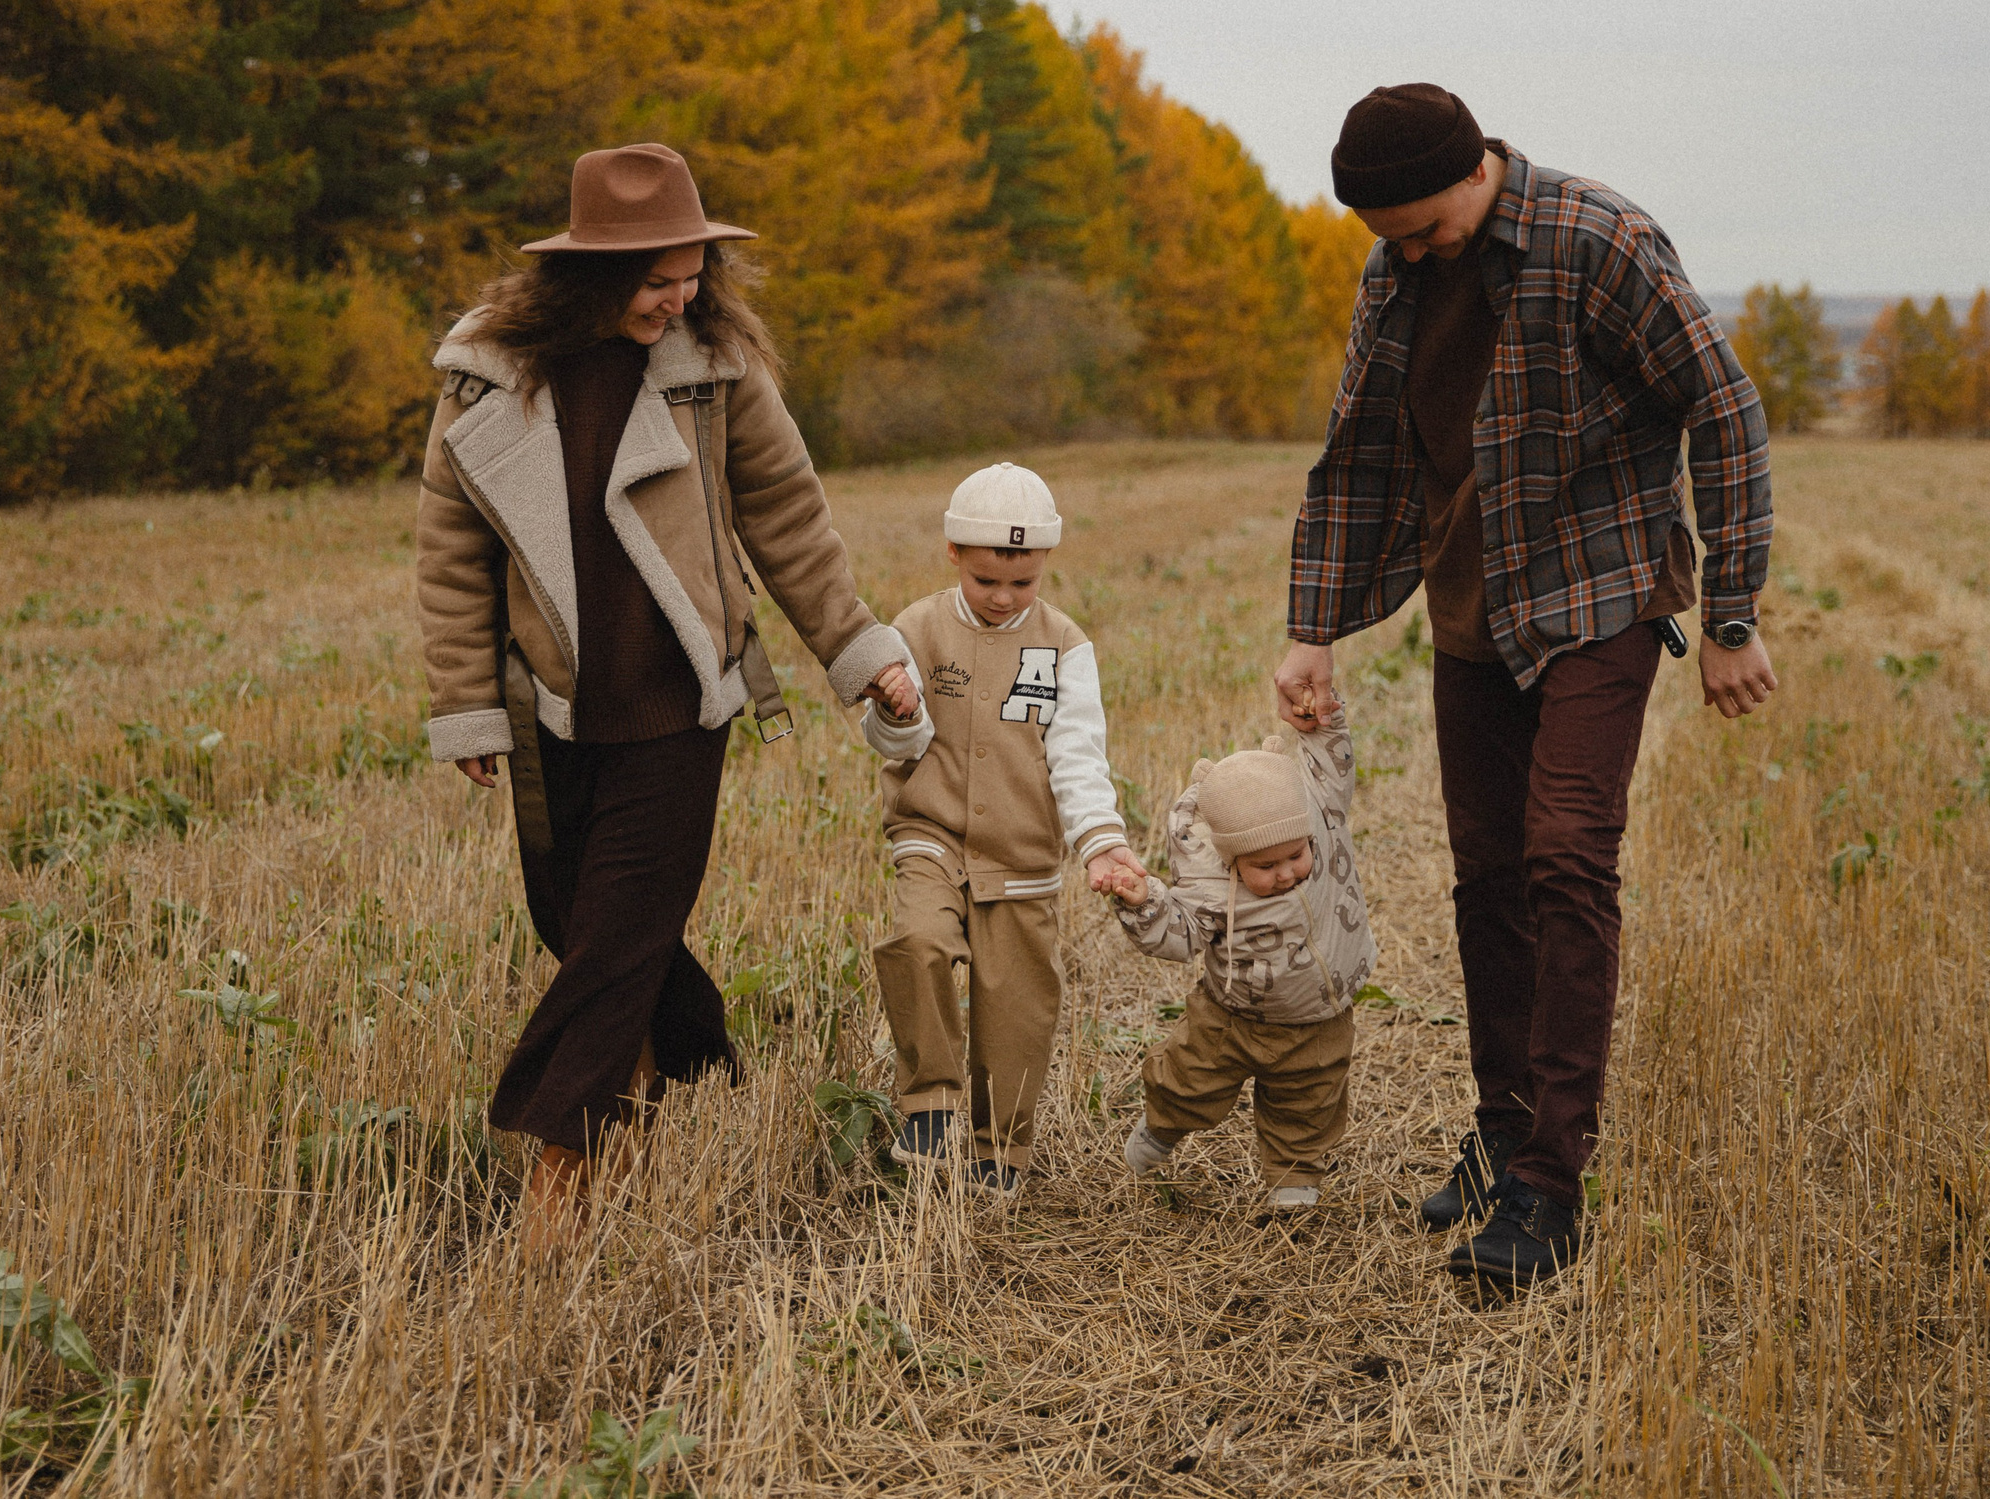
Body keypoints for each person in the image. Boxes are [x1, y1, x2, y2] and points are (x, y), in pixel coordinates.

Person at [1276, 83, 1777, 1287]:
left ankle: (1553, 1180)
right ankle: (1502, 1134)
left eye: (1422, 228)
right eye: (1384, 236)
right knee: (1487, 874)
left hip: (1600, 595)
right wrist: (1311, 631)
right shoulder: (1393, 274)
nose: (1407, 252)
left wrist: (1731, 614)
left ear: (1473, 172)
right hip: (1470, 604)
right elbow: (1362, 456)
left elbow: (1726, 411)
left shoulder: (1596, 241)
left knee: (1564, 859)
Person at [415, 143, 920, 1244]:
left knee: (614, 939)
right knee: (578, 925)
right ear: (590, 277)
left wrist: (859, 649)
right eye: (656, 280)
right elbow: (452, 550)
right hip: (551, 707)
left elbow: (787, 516)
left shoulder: (714, 370)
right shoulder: (487, 378)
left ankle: (556, 1188)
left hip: (679, 706)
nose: (679, 296)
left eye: (692, 274)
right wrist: (465, 701)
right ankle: (665, 1055)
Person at [858, 463, 1146, 1195]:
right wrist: (894, 712)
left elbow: (1077, 754)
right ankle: (929, 1102)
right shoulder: (915, 630)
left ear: (1045, 563)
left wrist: (1101, 841)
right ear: (953, 553)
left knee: (1017, 1008)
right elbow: (892, 743)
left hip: (1021, 856)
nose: (1003, 597)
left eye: (1022, 583)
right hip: (931, 834)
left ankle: (998, 1151)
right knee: (915, 941)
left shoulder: (1064, 646)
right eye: (988, 580)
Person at [1097, 708, 1372, 1213]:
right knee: (1187, 1078)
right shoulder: (1211, 885)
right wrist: (1143, 902)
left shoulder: (1323, 830)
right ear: (1232, 861)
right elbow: (1178, 936)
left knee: (1309, 1102)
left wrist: (1325, 717)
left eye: (1296, 855)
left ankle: (1292, 1183)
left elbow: (1333, 768)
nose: (1287, 873)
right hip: (1230, 1017)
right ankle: (1162, 1128)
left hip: (1318, 1019)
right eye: (1264, 866)